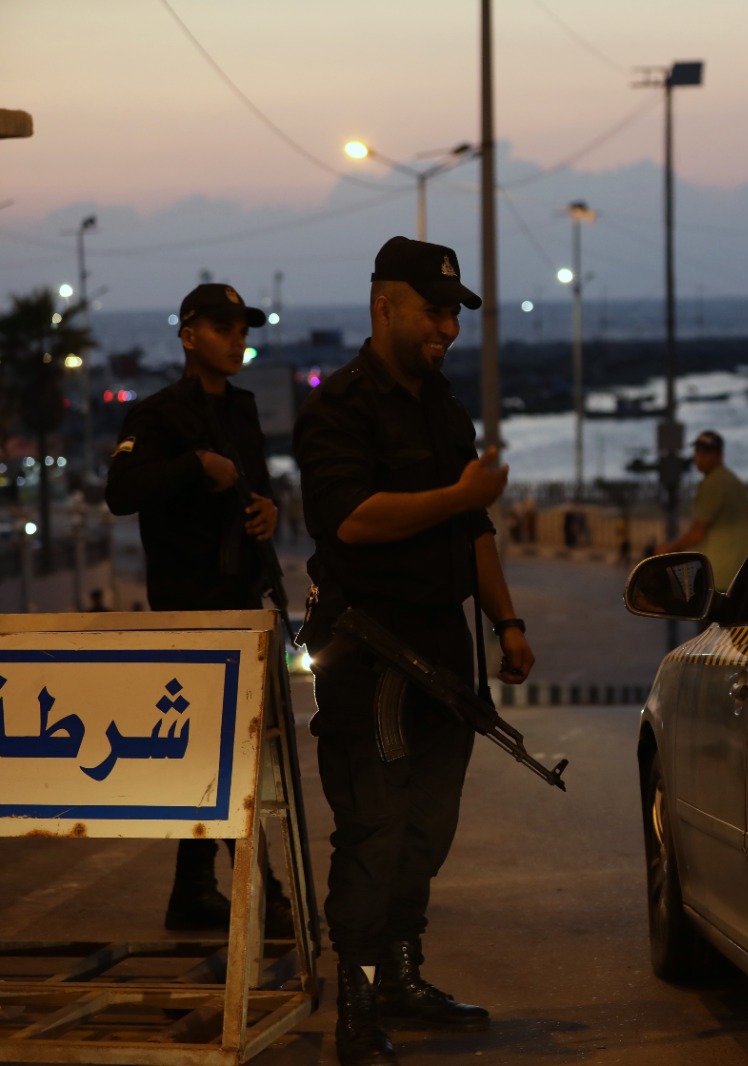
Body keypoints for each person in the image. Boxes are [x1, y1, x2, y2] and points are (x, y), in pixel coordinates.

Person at [293, 235, 534, 1066]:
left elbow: (474, 528)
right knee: (374, 831)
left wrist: (508, 624)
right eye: (434, 311)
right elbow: (351, 519)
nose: (446, 329)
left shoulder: (442, 406)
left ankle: (401, 973)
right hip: (367, 652)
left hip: (443, 652)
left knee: (428, 828)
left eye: (454, 315)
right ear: (384, 305)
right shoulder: (337, 409)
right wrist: (457, 496)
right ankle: (356, 1009)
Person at [103, 282, 293, 937]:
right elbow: (121, 492)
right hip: (189, 611)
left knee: (222, 757)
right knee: (219, 756)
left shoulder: (240, 410)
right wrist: (192, 464)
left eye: (243, 328)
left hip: (241, 603)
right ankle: (254, 889)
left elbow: (260, 487)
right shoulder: (157, 416)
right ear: (190, 336)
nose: (239, 338)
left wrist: (272, 512)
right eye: (224, 328)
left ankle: (194, 890)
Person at [658, 429, 748, 592]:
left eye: (705, 452)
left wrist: (668, 549)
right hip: (740, 577)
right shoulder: (734, 481)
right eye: (697, 451)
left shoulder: (711, 484)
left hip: (716, 576)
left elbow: (697, 533)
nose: (698, 457)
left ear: (718, 455)